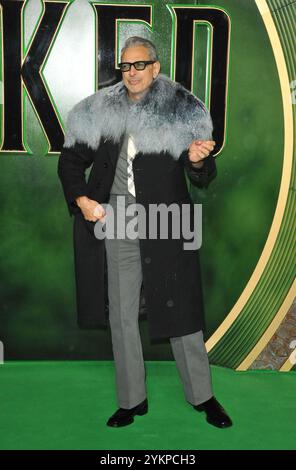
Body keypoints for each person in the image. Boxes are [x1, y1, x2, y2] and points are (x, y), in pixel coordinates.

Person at [58, 37, 232, 429]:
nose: (132, 72)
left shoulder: (182, 109)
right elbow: (71, 160)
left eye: (140, 65)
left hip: (169, 219)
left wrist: (196, 160)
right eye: (126, 66)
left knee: (182, 310)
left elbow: (202, 175)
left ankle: (203, 397)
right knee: (121, 312)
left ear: (156, 67)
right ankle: (131, 400)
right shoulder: (99, 110)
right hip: (116, 218)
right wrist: (82, 199)